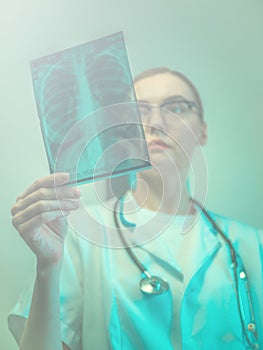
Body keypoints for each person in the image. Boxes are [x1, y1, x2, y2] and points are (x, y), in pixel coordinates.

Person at [9, 67, 263, 350]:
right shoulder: (78, 232)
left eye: (177, 107)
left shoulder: (253, 244)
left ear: (202, 131)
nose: (156, 122)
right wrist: (48, 267)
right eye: (139, 111)